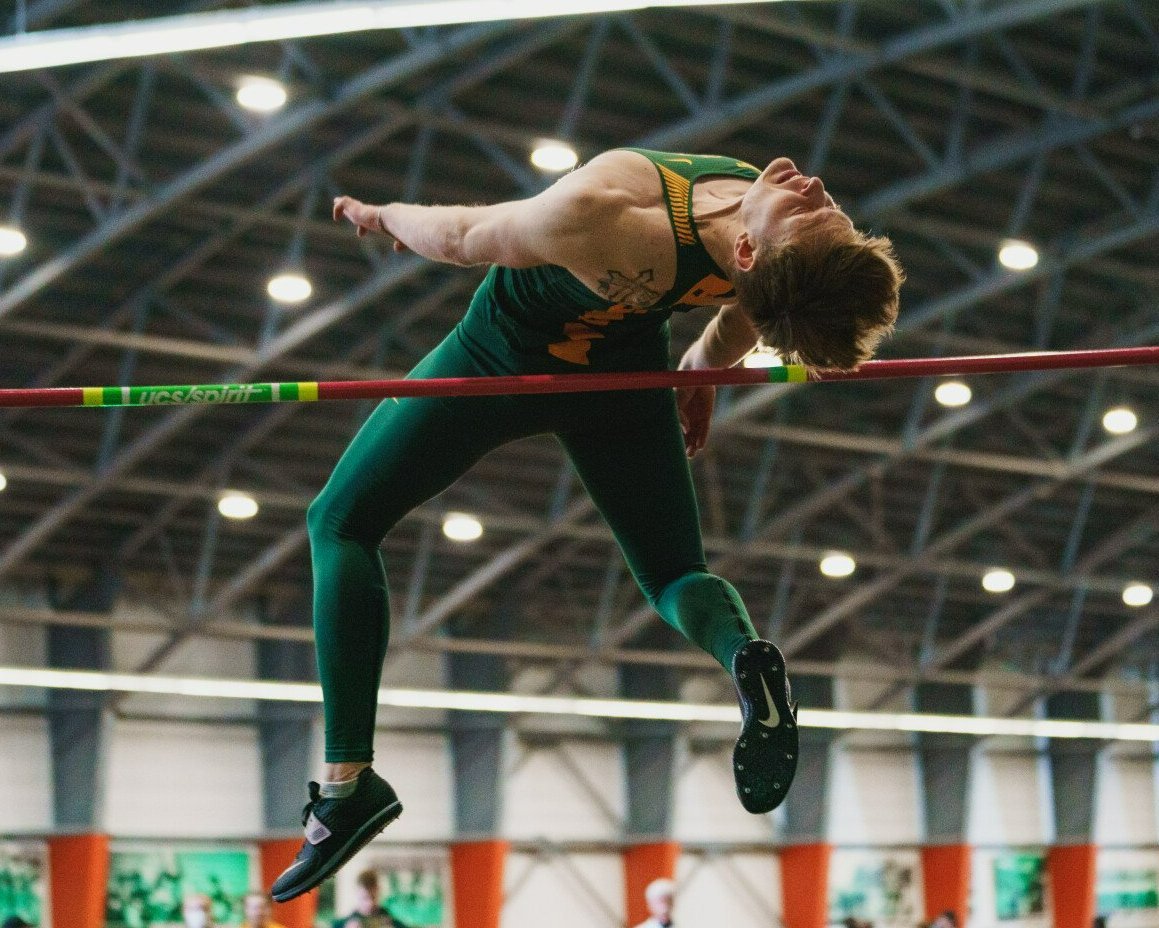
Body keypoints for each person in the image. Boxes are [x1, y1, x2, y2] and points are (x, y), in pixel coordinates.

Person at [271, 147, 904, 902]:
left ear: (745, 250)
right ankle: (743, 652)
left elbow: (463, 238)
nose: (813, 182)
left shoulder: (605, 210)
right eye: (824, 207)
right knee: (673, 573)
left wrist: (382, 218)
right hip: (621, 385)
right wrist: (698, 373)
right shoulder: (762, 253)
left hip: (493, 366)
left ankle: (348, 788)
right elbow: (757, 299)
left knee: (340, 522)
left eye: (808, 209)